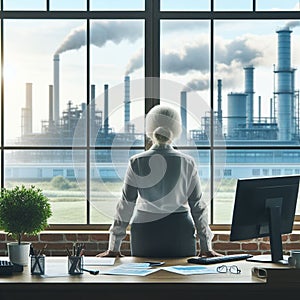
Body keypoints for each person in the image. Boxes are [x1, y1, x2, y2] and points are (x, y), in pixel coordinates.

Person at [97, 104, 222, 258]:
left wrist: (114, 247)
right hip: (179, 229)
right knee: (184, 280)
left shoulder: (136, 161)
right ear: (176, 130)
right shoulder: (187, 162)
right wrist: (206, 246)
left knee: (145, 280)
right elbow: (197, 206)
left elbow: (125, 205)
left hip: (145, 230)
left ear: (149, 129)